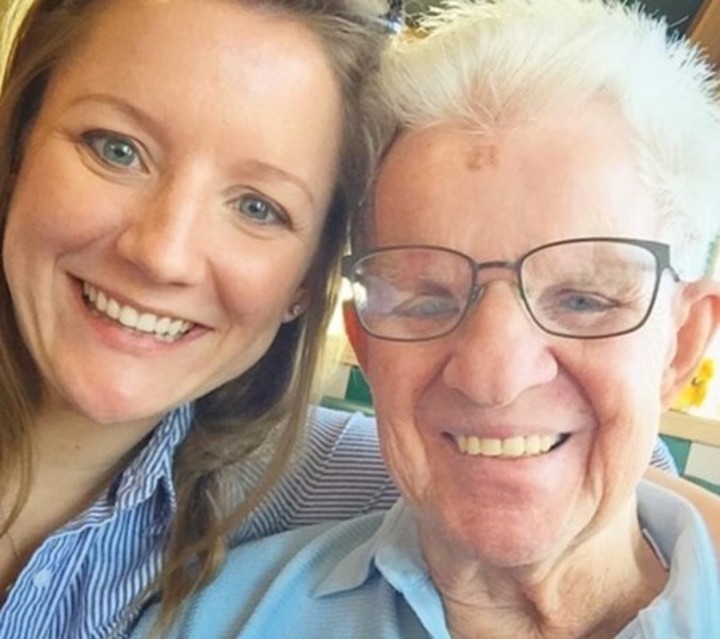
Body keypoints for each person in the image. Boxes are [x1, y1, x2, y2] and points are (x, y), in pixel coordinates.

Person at [134, 0, 720, 636]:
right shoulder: (214, 620)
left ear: (682, 342)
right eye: (428, 299)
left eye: (583, 299)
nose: (493, 379)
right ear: (366, 345)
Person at [0, 0, 391, 636]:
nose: (163, 255)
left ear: (308, 279)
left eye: (258, 207)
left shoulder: (358, 490)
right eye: (117, 150)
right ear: (19, 143)